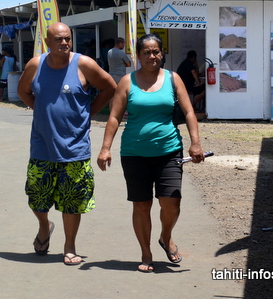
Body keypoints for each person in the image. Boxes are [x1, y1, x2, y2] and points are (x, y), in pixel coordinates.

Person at [97, 33, 205, 273]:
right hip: (134, 153)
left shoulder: (173, 79)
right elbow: (114, 116)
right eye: (146, 52)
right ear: (138, 56)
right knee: (141, 205)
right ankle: (146, 252)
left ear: (161, 53)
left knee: (172, 203)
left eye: (155, 51)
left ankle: (166, 237)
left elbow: (189, 112)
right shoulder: (127, 82)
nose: (151, 56)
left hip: (169, 150)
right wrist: (105, 148)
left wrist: (195, 143)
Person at [17, 22, 116, 266]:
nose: (64, 43)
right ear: (47, 42)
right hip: (42, 145)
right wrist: (41, 110)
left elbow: (109, 87)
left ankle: (70, 245)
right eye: (59, 39)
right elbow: (22, 92)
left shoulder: (84, 64)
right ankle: (44, 226)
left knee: (73, 199)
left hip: (75, 146)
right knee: (36, 196)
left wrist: (88, 112)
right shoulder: (35, 65)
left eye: (68, 39)